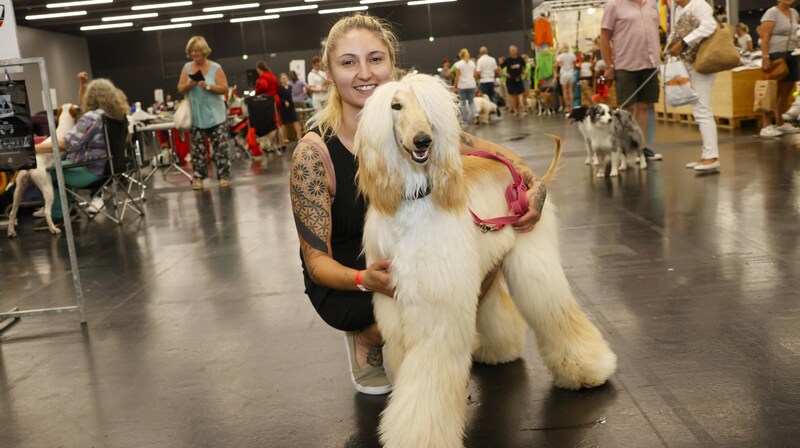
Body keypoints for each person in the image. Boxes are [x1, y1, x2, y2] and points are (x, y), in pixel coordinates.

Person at [290, 13, 548, 395]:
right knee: (418, 304)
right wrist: (365, 279)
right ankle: (368, 339)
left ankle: (476, 334)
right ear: (329, 73)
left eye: (375, 59)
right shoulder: (312, 155)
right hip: (356, 279)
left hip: (417, 256)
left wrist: (532, 184)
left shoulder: (417, 124)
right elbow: (317, 264)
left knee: (486, 246)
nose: (365, 73)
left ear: (392, 65)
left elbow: (493, 155)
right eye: (348, 63)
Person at [34, 79, 128, 222]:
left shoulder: (92, 117)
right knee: (59, 166)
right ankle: (68, 207)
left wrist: (34, 148)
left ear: (90, 97)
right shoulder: (119, 116)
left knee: (47, 170)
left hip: (92, 171)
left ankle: (60, 215)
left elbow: (66, 144)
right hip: (114, 168)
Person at [600, 0, 663, 160]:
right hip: (626, 64)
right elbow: (604, 36)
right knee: (626, 109)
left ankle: (640, 148)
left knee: (643, 107)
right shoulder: (613, 5)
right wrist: (609, 66)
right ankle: (621, 149)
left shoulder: (651, 3)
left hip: (650, 63)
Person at [666, 0, 721, 171]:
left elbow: (710, 25)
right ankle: (706, 155)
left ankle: (712, 157)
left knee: (702, 108)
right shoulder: (679, 10)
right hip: (689, 63)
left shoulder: (699, 4)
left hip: (702, 62)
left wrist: (684, 42)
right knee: (699, 109)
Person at [177, 35, 232, 190]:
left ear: (204, 51)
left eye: (197, 51)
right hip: (196, 116)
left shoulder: (216, 67)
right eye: (192, 51)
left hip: (216, 116)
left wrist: (207, 86)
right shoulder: (187, 68)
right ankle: (199, 178)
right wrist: (189, 84)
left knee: (221, 148)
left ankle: (224, 176)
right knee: (197, 150)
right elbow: (180, 88)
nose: (194, 54)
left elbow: (224, 88)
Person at [758, 0, 800, 138]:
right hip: (776, 55)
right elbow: (765, 37)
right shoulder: (772, 12)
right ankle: (766, 125)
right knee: (771, 91)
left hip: (792, 54)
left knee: (786, 91)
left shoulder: (794, 13)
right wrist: (765, 56)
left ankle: (780, 123)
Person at [255, 60, 284, 142]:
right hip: (276, 99)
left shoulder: (263, 76)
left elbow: (263, 86)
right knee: (278, 121)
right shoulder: (272, 75)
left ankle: (275, 144)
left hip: (269, 101)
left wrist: (257, 92)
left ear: (258, 68)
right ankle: (281, 143)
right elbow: (278, 87)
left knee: (272, 123)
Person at [452, 48, 478, 126]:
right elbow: (475, 75)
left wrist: (455, 86)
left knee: (463, 103)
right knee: (471, 101)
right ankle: (476, 114)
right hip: (472, 84)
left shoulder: (458, 64)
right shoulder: (472, 63)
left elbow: (457, 76)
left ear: (461, 55)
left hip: (462, 85)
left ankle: (465, 121)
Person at [501, 45, 526, 115]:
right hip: (510, 80)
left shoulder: (520, 59)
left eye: (514, 50)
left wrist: (523, 73)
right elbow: (499, 68)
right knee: (512, 95)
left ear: (516, 51)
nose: (512, 52)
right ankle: (515, 110)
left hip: (518, 78)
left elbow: (524, 66)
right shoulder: (507, 60)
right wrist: (504, 74)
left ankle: (518, 107)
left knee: (518, 96)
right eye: (511, 51)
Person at [475, 46, 499, 114]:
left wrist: (478, 77)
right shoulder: (492, 59)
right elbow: (495, 70)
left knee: (485, 97)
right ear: (487, 51)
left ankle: (487, 111)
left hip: (484, 81)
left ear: (480, 52)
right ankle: (495, 108)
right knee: (492, 95)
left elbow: (478, 72)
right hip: (491, 80)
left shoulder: (480, 60)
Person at [279, 72, 302, 141]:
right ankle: (284, 138)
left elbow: (293, 96)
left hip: (291, 107)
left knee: (295, 121)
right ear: (280, 80)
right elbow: (279, 97)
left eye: (285, 78)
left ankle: (299, 136)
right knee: (284, 124)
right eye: (283, 79)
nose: (284, 80)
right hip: (283, 108)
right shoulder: (279, 88)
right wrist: (284, 101)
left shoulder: (290, 87)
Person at [555, 45, 577, 113]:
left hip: (563, 74)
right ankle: (572, 106)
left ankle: (567, 107)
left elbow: (557, 64)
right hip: (571, 73)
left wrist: (562, 66)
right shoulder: (572, 55)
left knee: (564, 91)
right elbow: (575, 64)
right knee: (570, 90)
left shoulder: (560, 56)